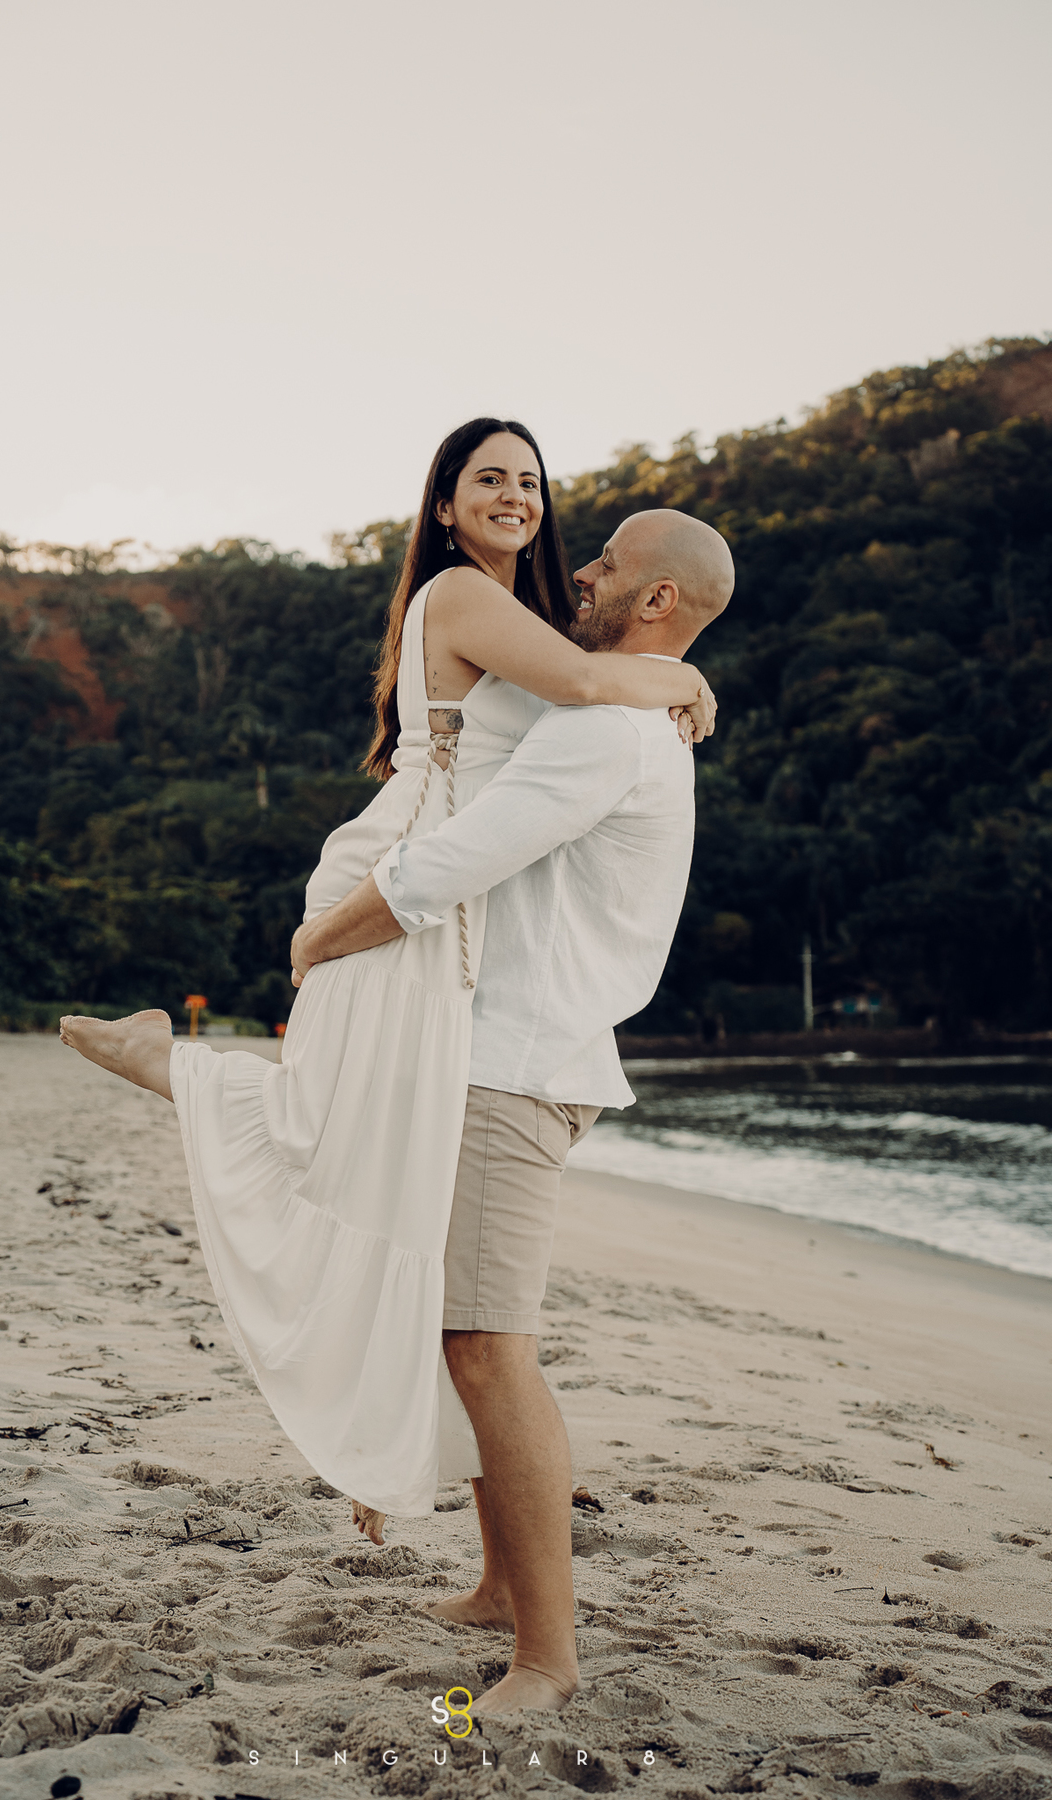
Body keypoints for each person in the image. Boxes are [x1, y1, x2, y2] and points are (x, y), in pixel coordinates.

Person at [57, 419, 713, 1542]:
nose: (517, 497)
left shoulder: (539, 625)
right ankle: (167, 1066)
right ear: (445, 505)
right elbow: (583, 680)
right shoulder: (462, 597)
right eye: (488, 479)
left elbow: (585, 676)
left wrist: (662, 673)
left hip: (436, 896)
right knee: (344, 1138)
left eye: (530, 482)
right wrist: (681, 674)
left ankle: (166, 1065)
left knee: (363, 1147)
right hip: (405, 873)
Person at [288, 504, 735, 1716]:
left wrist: (323, 941)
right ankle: (496, 1587)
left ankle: (547, 1655)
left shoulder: (608, 728)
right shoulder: (636, 715)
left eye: (602, 564)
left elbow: (455, 861)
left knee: (492, 1351)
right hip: (527, 1057)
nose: (576, 573)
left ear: (653, 601)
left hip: (516, 1067)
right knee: (467, 1337)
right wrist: (682, 678)